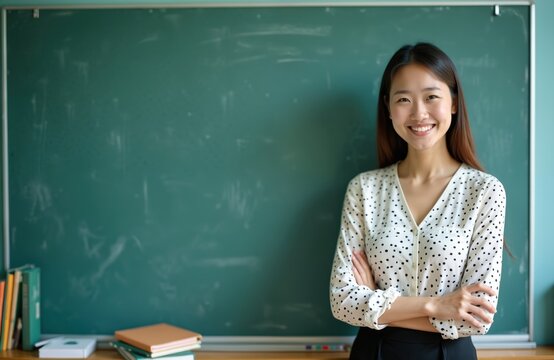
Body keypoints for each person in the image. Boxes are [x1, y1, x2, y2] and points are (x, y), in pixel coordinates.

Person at [329, 43, 506, 360]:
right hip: (374, 353)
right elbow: (342, 300)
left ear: (453, 102)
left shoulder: (484, 192)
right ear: (388, 108)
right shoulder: (364, 190)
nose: (418, 113)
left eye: (431, 97)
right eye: (403, 100)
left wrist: (378, 302)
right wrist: (437, 306)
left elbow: (477, 319)